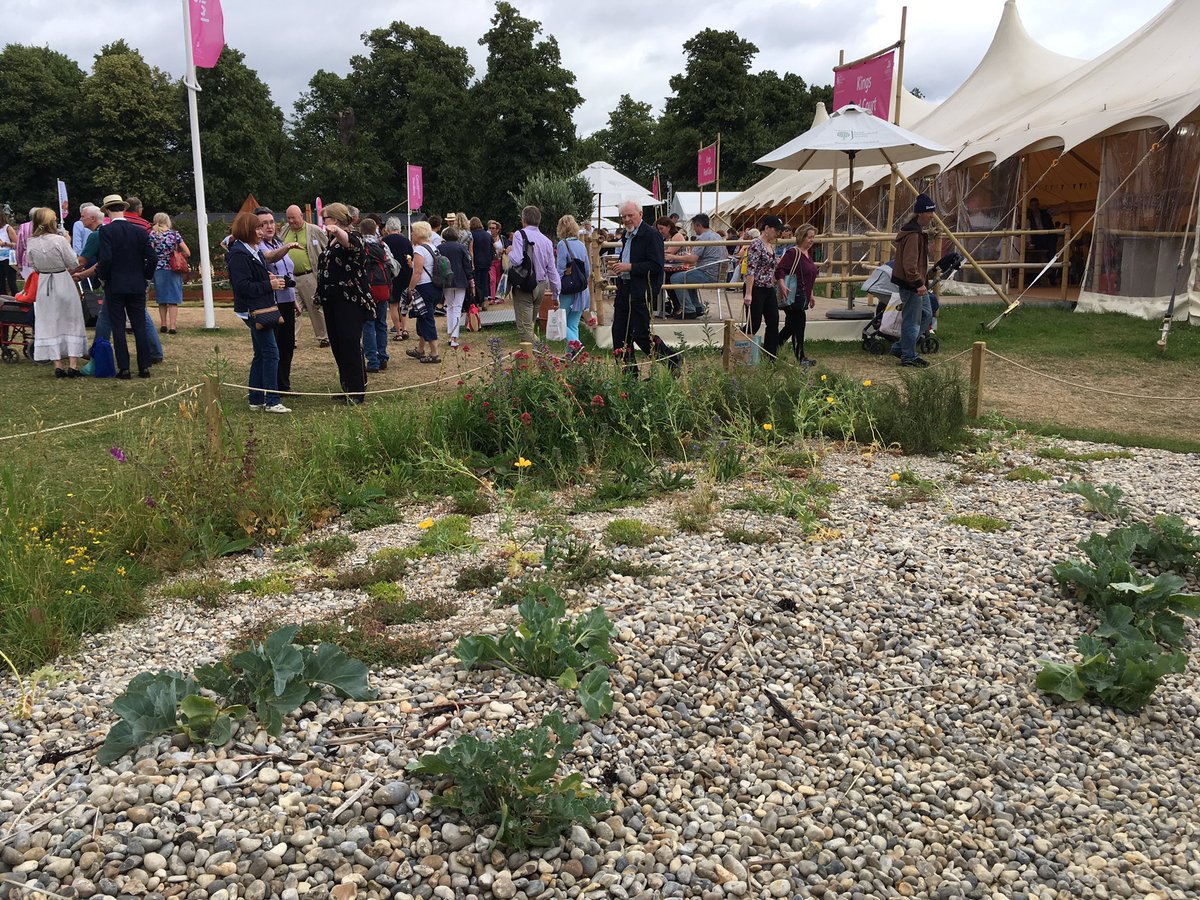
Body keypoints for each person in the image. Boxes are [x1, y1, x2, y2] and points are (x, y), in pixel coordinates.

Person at [228, 211, 290, 413]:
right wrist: (268, 284)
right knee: (271, 353)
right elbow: (242, 286)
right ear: (248, 230)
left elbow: (253, 277)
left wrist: (267, 276)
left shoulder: (251, 250)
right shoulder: (238, 253)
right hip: (252, 310)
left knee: (261, 354)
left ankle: (256, 399)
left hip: (260, 307)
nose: (262, 231)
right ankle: (272, 400)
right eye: (257, 227)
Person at [611, 200, 678, 377]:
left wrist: (630, 267)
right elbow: (630, 258)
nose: (627, 219)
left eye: (630, 215)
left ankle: (671, 360)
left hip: (642, 291)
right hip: (625, 289)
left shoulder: (651, 235)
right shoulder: (627, 235)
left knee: (640, 334)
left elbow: (656, 265)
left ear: (640, 214)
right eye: (624, 216)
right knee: (619, 333)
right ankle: (629, 375)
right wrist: (620, 267)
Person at [316, 202, 374, 403]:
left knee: (350, 343)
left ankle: (357, 391)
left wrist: (337, 231)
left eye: (326, 219)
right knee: (338, 345)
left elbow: (349, 242)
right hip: (331, 299)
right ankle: (347, 386)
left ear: (336, 220)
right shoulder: (331, 241)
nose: (324, 223)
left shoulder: (354, 237)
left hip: (349, 300)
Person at [96, 193, 156, 378]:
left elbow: (105, 259)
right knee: (139, 325)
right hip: (137, 283)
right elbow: (152, 257)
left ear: (107, 211)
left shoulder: (106, 231)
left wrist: (103, 277)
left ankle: (124, 368)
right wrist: (145, 276)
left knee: (118, 326)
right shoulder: (139, 231)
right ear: (123, 209)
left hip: (115, 284)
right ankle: (144, 366)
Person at [27, 208, 87, 377]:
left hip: (45, 283)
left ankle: (57, 364)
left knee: (49, 321)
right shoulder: (59, 240)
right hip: (62, 280)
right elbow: (73, 261)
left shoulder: (31, 242)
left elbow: (33, 265)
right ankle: (73, 365)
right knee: (71, 319)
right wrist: (67, 241)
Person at [255, 206, 301, 393]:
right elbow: (270, 258)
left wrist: (294, 300)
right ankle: (270, 386)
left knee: (287, 345)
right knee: (272, 346)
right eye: (263, 223)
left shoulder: (277, 242)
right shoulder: (258, 246)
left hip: (287, 300)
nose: (269, 226)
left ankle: (283, 384)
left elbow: (287, 271)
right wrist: (287, 247)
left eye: (272, 222)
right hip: (271, 303)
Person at [891, 193, 936, 367]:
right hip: (911, 284)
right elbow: (909, 264)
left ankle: (901, 347)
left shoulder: (916, 232)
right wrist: (918, 283)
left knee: (926, 314)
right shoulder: (913, 235)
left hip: (916, 283)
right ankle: (908, 355)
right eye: (929, 212)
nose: (932, 215)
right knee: (912, 319)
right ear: (920, 214)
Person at [507, 206, 560, 345]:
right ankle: (530, 361)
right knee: (529, 324)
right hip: (541, 286)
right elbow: (552, 271)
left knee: (525, 329)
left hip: (525, 285)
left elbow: (517, 259)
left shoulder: (520, 235)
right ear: (539, 221)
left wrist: (509, 252)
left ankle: (545, 358)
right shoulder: (547, 241)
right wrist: (555, 294)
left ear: (523, 219)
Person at [280, 204, 330, 347]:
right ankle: (292, 339)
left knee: (316, 307)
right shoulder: (284, 231)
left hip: (309, 276)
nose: (290, 221)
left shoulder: (314, 230)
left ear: (300, 216)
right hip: (290, 277)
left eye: (293, 218)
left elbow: (326, 248)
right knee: (292, 309)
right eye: (288, 218)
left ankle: (323, 337)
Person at [774, 222, 818, 365]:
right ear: (801, 237)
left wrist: (811, 294)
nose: (811, 240)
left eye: (813, 237)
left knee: (790, 328)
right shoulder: (793, 253)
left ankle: (771, 351)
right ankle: (801, 357)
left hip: (802, 296)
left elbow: (809, 276)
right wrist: (782, 285)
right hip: (793, 296)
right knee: (799, 326)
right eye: (809, 237)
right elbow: (780, 269)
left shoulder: (807, 254)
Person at [668, 213, 726, 318]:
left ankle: (688, 309)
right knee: (687, 276)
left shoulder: (702, 238)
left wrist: (673, 257)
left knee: (675, 278)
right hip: (718, 274)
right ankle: (697, 307)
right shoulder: (716, 236)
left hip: (707, 274)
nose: (694, 229)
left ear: (698, 225)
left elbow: (692, 259)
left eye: (694, 226)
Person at [743, 216, 782, 358]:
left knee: (773, 321)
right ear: (766, 228)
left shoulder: (771, 246)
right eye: (775, 230)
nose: (777, 233)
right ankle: (734, 345)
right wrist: (748, 293)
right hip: (756, 288)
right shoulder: (756, 244)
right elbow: (751, 269)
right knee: (754, 323)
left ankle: (770, 355)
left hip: (768, 287)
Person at [555, 215, 593, 358]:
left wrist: (555, 290)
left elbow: (559, 270)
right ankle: (572, 355)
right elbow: (587, 270)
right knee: (572, 324)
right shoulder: (581, 245)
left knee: (561, 322)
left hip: (567, 289)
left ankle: (577, 345)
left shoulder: (562, 244)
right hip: (581, 289)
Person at [404, 221, 442, 364]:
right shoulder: (433, 247)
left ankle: (434, 353)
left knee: (426, 319)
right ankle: (420, 349)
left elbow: (418, 272)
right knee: (422, 317)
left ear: (418, 234)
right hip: (436, 287)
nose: (411, 235)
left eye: (413, 232)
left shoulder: (419, 249)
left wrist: (410, 288)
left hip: (424, 287)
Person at [359, 217, 392, 373]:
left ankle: (372, 361)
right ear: (375, 229)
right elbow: (392, 266)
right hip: (383, 288)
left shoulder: (360, 245)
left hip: (368, 289)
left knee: (368, 324)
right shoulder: (382, 245)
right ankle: (383, 356)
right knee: (381, 324)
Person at [149, 212, 189, 334]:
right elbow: (187, 252)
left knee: (161, 299)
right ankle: (172, 326)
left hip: (159, 268)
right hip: (173, 268)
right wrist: (178, 256)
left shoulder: (153, 234)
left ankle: (163, 324)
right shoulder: (174, 235)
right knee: (173, 299)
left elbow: (150, 252)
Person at [439, 226, 472, 349]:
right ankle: (454, 337)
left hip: (446, 281)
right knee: (457, 307)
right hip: (460, 280)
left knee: (450, 307)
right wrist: (470, 279)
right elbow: (467, 265)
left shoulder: (439, 248)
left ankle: (451, 334)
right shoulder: (461, 248)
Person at [382, 218, 413, 340]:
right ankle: (405, 329)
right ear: (399, 228)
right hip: (405, 274)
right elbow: (410, 258)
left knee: (393, 305)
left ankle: (398, 332)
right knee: (404, 303)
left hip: (391, 275)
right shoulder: (406, 241)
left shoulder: (384, 241)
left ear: (387, 229)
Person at [468, 216, 492, 310]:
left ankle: (478, 300)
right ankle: (485, 301)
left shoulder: (471, 235)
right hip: (486, 261)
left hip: (476, 261)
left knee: (477, 282)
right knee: (485, 281)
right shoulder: (487, 235)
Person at [487, 219, 506, 303]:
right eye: (490, 228)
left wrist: (504, 250)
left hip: (500, 261)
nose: (491, 230)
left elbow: (508, 247)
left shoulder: (502, 238)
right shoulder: (487, 238)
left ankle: (500, 297)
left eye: (493, 228)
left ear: (497, 229)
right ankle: (492, 297)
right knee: (492, 279)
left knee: (500, 279)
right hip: (491, 261)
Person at [0, 211, 17, 295]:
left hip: (9, 257)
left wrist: (4, 244)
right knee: (1, 282)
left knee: (11, 281)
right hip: (0, 258)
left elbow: (16, 244)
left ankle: (15, 299)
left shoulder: (8, 228)